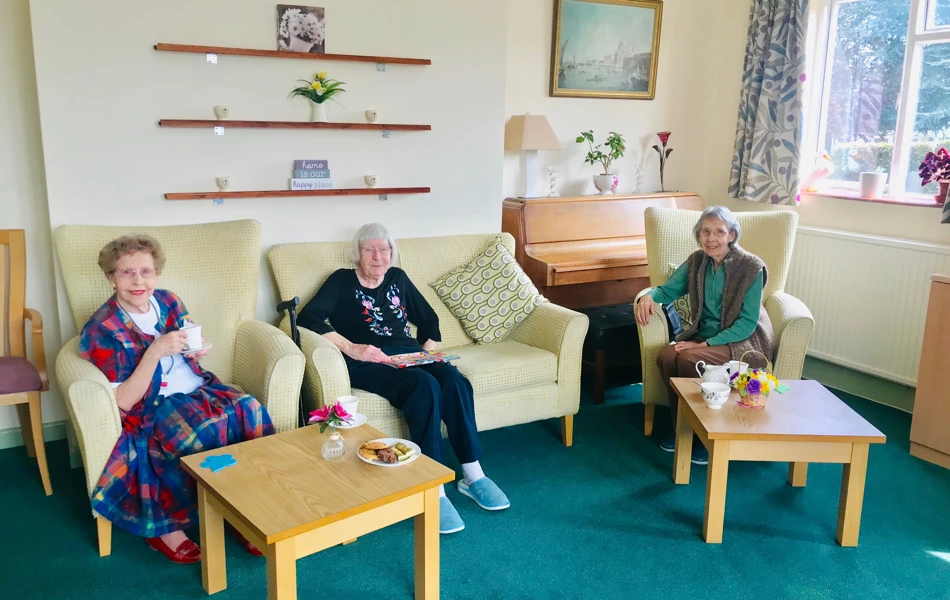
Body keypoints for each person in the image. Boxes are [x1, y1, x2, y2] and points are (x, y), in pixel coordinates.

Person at [297, 223, 509, 535]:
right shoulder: (341, 281)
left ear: (392, 253)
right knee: (424, 386)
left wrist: (425, 354)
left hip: (407, 354)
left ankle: (472, 474)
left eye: (383, 249)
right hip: (368, 360)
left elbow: (429, 320)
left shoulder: (398, 278)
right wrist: (351, 347)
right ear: (357, 253)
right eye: (369, 249)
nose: (377, 256)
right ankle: (431, 489)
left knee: (453, 380)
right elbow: (308, 317)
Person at [79, 235, 274, 564]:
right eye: (127, 273)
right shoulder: (103, 328)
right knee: (195, 435)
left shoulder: (168, 300)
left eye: (146, 271)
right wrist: (154, 351)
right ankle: (167, 528)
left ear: (156, 273)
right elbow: (124, 400)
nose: (139, 281)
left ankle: (241, 508)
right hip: (153, 403)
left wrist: (197, 348)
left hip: (198, 386)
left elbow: (187, 340)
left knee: (250, 410)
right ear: (111, 278)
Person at [635, 206, 774, 465]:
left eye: (719, 232)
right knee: (666, 356)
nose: (711, 239)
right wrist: (647, 296)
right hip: (704, 337)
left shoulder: (751, 267)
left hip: (741, 340)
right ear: (698, 235)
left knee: (689, 359)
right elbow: (667, 291)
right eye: (705, 232)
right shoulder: (697, 261)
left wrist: (704, 344)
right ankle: (682, 429)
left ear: (732, 235)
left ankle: (704, 437)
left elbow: (746, 323)